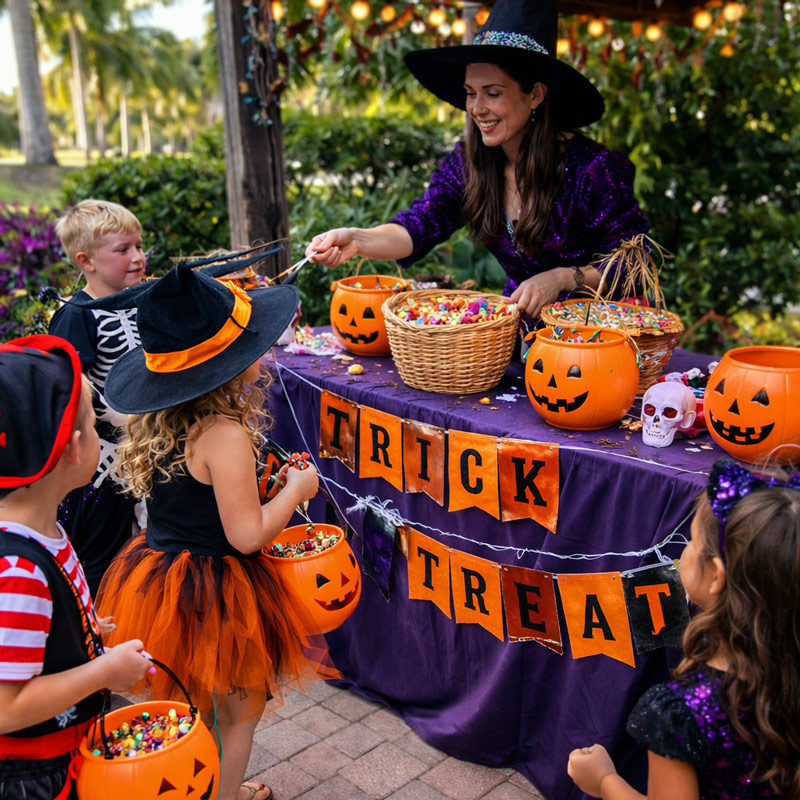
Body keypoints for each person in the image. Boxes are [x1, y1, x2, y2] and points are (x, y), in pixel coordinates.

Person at [85, 260, 340, 800]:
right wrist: (295, 493)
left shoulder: (160, 422)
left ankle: (199, 786)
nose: (266, 350)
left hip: (161, 581)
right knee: (241, 710)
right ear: (226, 364)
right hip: (218, 593)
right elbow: (246, 536)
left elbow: (197, 505)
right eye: (254, 342)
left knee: (192, 706)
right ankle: (226, 793)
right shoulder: (224, 433)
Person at [306, 0, 648, 321]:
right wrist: (357, 239)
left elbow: (635, 263)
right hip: (520, 332)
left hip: (599, 340)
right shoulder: (469, 164)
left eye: (493, 93)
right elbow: (419, 225)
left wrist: (561, 278)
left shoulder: (593, 169)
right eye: (471, 93)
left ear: (535, 95)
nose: (477, 109)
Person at [567, 458, 800, 799]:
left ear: (717, 577)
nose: (685, 552)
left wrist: (603, 781)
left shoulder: (679, 713)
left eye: (690, 542)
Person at [0, 335, 150, 800]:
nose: (102, 428)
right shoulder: (18, 572)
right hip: (33, 775)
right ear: (70, 450)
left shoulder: (45, 530)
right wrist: (104, 672)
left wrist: (81, 635)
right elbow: (6, 707)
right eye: (93, 420)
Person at [48, 199, 146, 595]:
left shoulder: (142, 299)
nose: (138, 257)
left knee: (142, 540)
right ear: (86, 261)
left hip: (147, 443)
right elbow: (70, 385)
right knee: (104, 549)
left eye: (140, 246)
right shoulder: (76, 315)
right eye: (123, 250)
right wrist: (123, 419)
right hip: (105, 453)